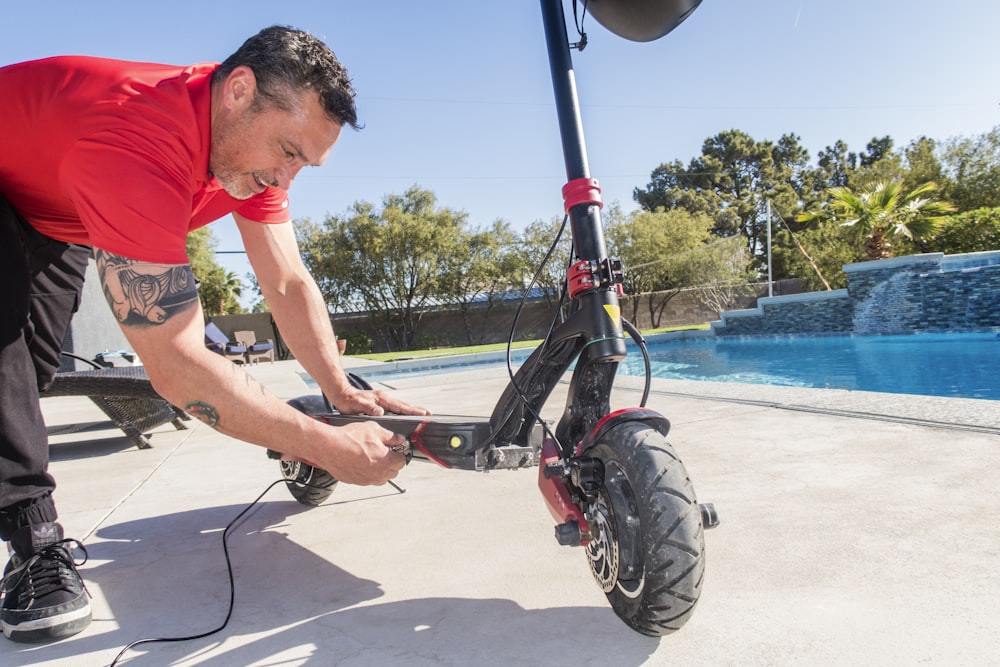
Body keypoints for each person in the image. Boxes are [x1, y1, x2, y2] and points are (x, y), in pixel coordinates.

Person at [0, 25, 428, 644]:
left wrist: (341, 392)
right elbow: (175, 366)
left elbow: (285, 281)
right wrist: (325, 447)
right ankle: (34, 544)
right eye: (287, 153)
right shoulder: (136, 145)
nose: (285, 180)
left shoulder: (246, 143)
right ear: (239, 91)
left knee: (31, 373)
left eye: (303, 164)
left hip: (51, 205)